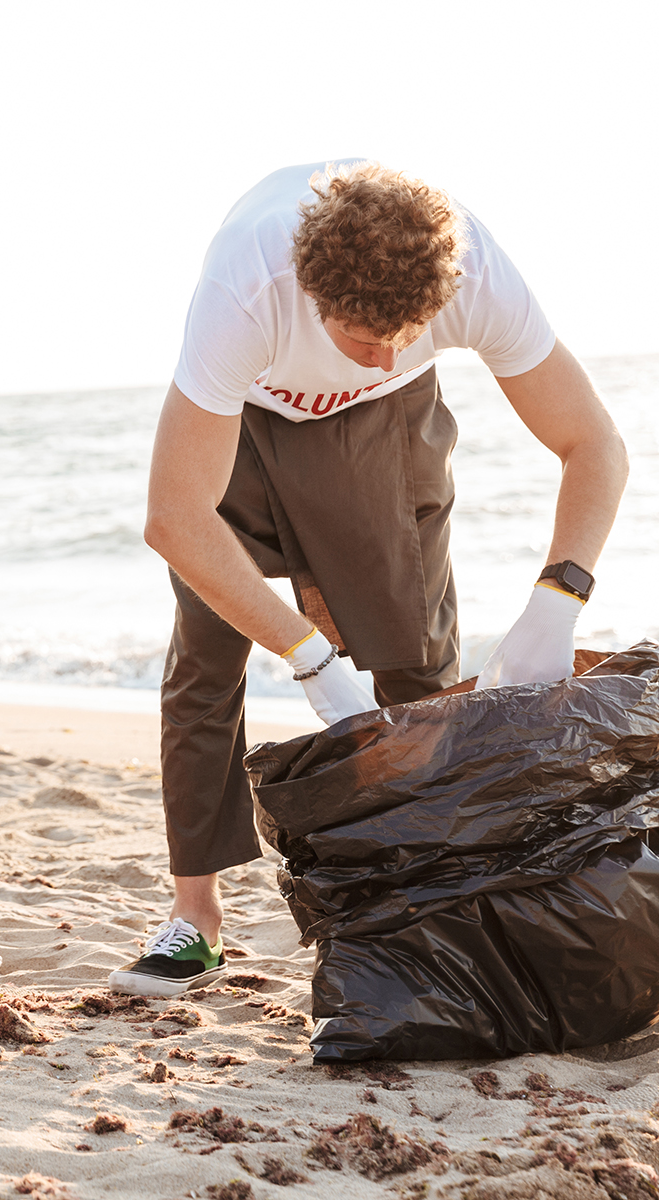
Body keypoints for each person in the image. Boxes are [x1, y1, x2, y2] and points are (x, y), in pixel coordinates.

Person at [116, 160, 629, 995]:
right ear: (312, 295)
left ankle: (427, 902)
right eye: (364, 338)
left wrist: (559, 601)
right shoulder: (250, 286)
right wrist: (310, 658)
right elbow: (174, 520)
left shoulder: (474, 275)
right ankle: (195, 918)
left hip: (387, 423)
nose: (387, 350)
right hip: (246, 420)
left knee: (415, 669)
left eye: (409, 331)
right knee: (206, 661)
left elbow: (595, 445)